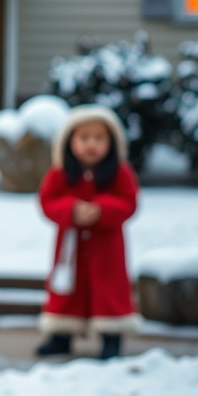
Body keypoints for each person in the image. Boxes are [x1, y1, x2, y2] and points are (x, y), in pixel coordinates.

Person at [34, 104, 141, 360]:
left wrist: (102, 210)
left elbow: (129, 202)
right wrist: (71, 210)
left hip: (107, 246)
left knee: (109, 289)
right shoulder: (60, 173)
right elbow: (48, 201)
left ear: (112, 143)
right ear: (69, 142)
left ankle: (111, 337)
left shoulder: (120, 172)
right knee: (67, 288)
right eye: (84, 138)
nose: (91, 145)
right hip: (70, 247)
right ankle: (62, 334)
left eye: (99, 138)